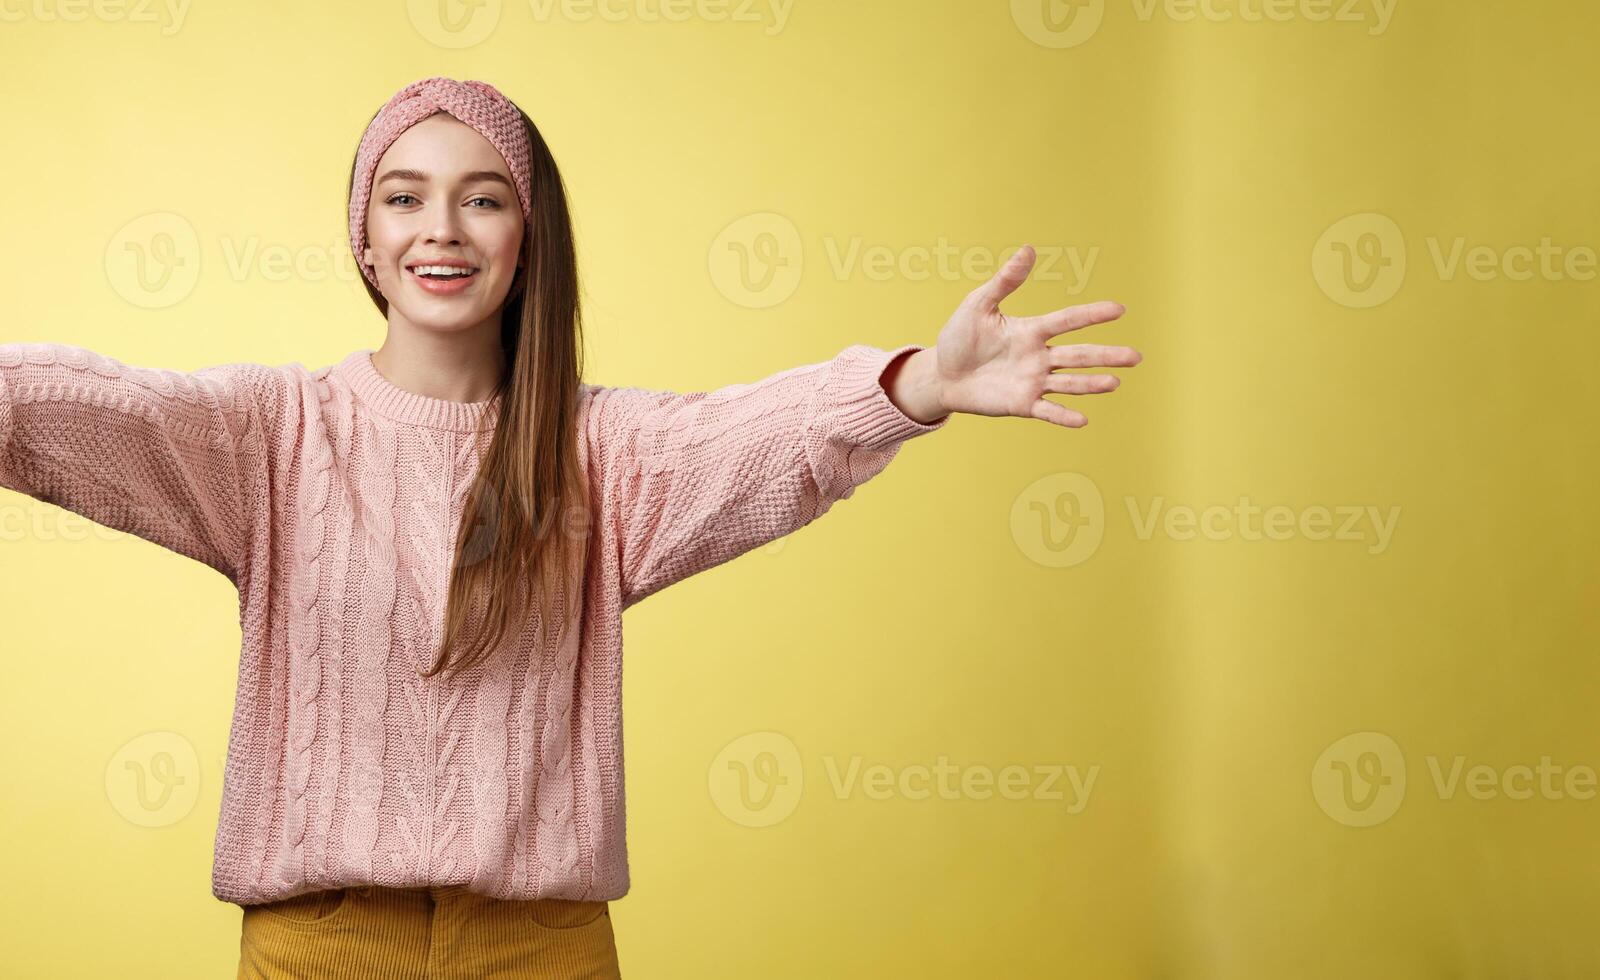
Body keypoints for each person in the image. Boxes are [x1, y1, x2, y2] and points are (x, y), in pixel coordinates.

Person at [0, 76, 1141, 979]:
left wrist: (914, 384)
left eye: (481, 196)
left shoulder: (598, 452)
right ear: (363, 238)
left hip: (538, 949)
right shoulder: (268, 436)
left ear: (527, 232)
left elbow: (761, 435)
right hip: (318, 947)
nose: (439, 228)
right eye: (402, 196)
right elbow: (84, 406)